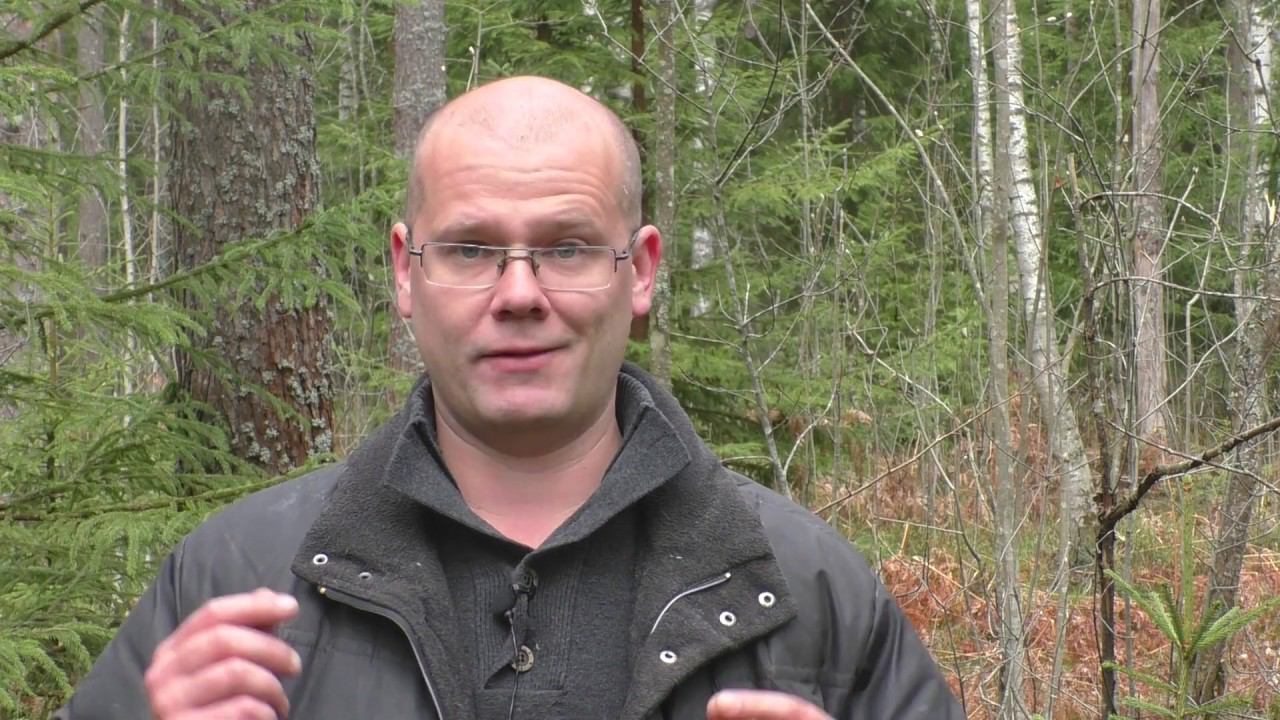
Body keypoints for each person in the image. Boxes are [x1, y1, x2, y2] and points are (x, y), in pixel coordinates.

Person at [56, 76, 964, 720]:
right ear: (405, 271)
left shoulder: (807, 592)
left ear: (640, 271)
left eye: (567, 247)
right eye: (471, 250)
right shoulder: (237, 581)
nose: (519, 293)